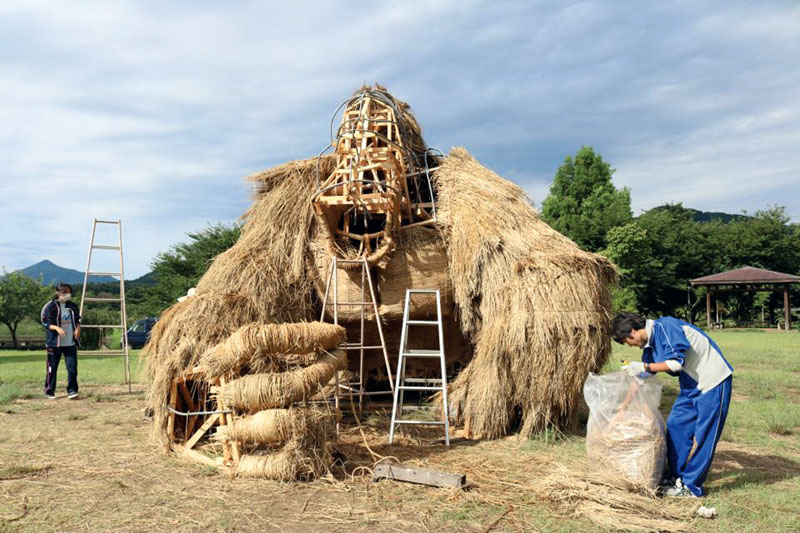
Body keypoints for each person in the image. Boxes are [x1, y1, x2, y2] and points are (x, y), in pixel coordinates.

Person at [611, 312, 733, 498]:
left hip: (713, 382)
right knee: (676, 426)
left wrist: (644, 367)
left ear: (633, 332)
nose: (631, 345)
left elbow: (675, 364)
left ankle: (691, 487)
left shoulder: (665, 327)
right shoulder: (649, 346)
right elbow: (640, 378)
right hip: (691, 386)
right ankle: (674, 476)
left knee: (704, 435)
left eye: (627, 341)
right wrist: (623, 407)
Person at [40, 282, 81, 399]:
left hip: (70, 343)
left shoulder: (72, 306)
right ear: (58, 293)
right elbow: (45, 322)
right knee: (51, 369)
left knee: (72, 368)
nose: (67, 294)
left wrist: (78, 328)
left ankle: (72, 390)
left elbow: (78, 319)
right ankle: (49, 391)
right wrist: (57, 328)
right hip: (54, 343)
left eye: (69, 292)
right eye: (64, 292)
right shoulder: (50, 306)